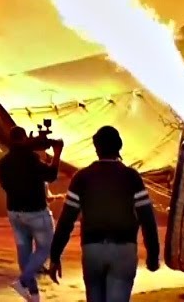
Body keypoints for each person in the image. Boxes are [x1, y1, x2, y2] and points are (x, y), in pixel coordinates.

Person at [49, 126, 160, 302]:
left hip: (92, 250)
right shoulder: (131, 177)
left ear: (96, 148)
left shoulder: (81, 178)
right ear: (119, 147)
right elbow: (147, 219)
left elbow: (66, 220)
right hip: (123, 250)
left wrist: (55, 255)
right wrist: (153, 255)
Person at [0, 126, 63, 302]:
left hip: (14, 212)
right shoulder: (31, 159)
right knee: (46, 248)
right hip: (36, 212)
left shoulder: (3, 163)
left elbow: (6, 186)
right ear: (25, 138)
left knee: (24, 255)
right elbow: (51, 175)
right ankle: (23, 281)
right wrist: (57, 154)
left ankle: (33, 295)